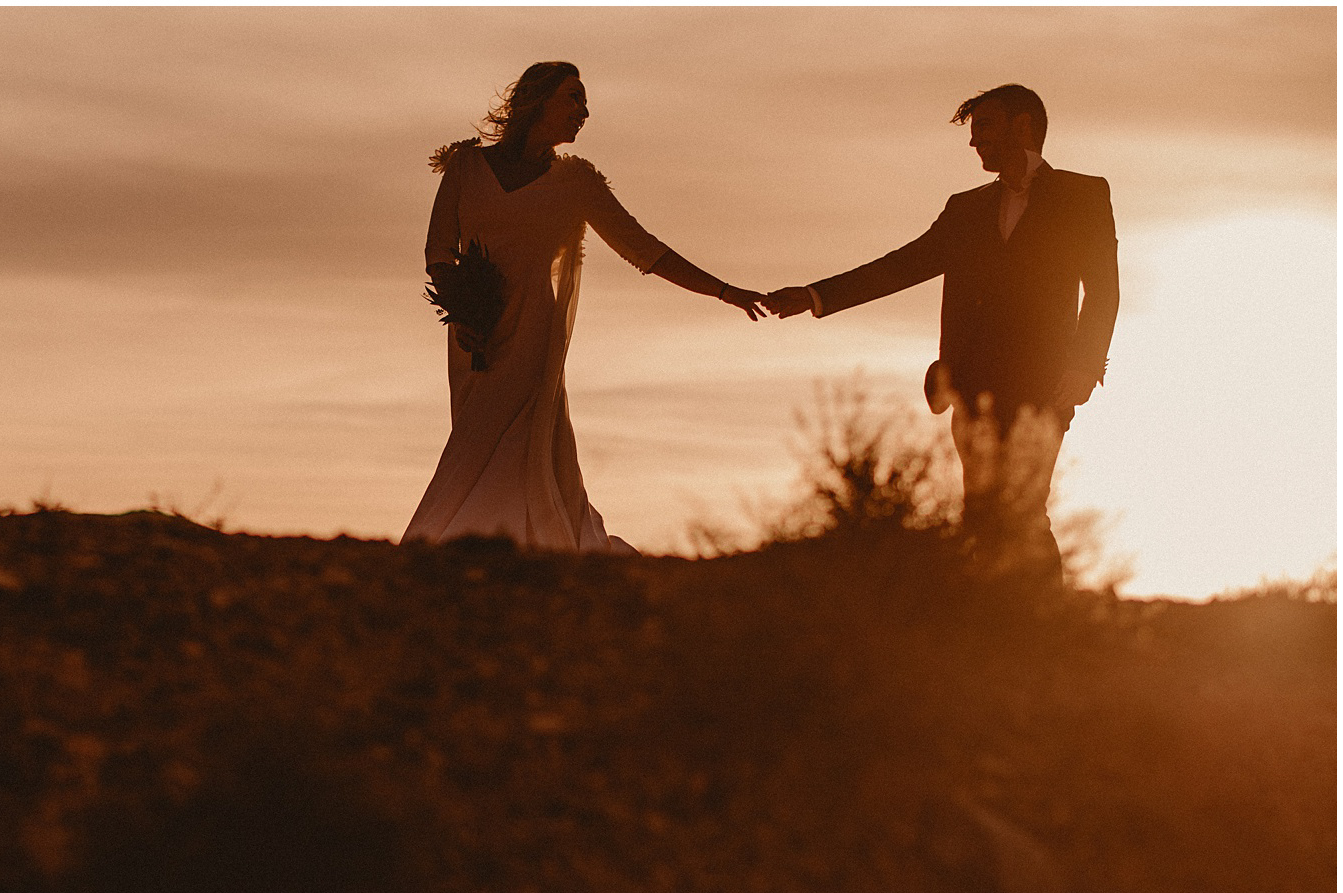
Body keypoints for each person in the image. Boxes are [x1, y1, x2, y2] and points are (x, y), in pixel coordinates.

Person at [403, 61, 766, 553]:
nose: (585, 111)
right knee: (478, 440)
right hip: (474, 334)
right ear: (535, 100)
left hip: (535, 331)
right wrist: (463, 313)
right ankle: (499, 549)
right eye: (574, 98)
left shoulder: (577, 182)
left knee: (520, 444)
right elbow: (439, 250)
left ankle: (482, 549)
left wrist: (726, 291)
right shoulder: (467, 167)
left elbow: (645, 250)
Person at [765, 83, 1119, 585]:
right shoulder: (965, 209)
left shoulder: (1084, 195)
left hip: (1045, 384)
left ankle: (1045, 625)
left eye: (986, 127)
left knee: (1023, 507)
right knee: (979, 512)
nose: (975, 143)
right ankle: (992, 624)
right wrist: (814, 295)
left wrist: (1084, 366)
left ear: (1024, 126)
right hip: (971, 385)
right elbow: (902, 266)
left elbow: (1103, 290)